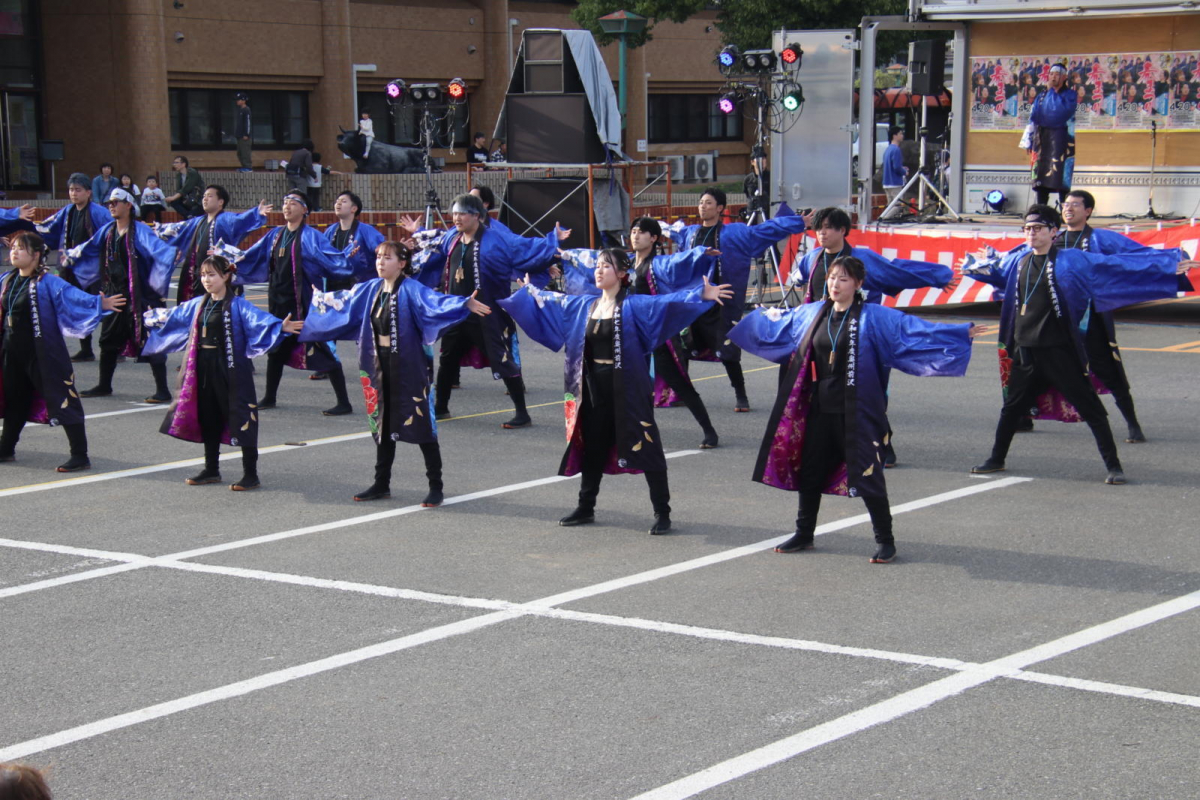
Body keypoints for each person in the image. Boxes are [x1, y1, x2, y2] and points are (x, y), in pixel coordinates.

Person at [730, 256, 976, 562]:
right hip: (819, 408)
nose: (835, 284)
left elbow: (911, 330)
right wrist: (743, 324)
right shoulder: (813, 314)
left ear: (859, 284)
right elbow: (779, 324)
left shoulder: (874, 317)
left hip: (857, 411)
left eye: (843, 279)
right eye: (832, 278)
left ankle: (885, 540)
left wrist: (955, 334)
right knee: (811, 473)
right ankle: (804, 533)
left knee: (868, 474)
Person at [500, 249, 732, 534]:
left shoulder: (636, 306)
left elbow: (668, 303)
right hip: (592, 386)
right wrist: (531, 292)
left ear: (622, 274)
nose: (598, 271)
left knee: (646, 444)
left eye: (606, 266)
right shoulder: (585, 305)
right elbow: (553, 301)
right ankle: (586, 506)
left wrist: (699, 295)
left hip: (628, 385)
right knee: (593, 446)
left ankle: (662, 512)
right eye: (597, 266)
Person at [967, 205, 1194, 484]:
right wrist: (979, 264)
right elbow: (996, 269)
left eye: (1038, 228)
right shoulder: (1020, 260)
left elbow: (1117, 265)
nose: (1031, 233)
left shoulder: (1072, 260)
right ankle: (996, 459)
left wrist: (1167, 263)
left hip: (1058, 351)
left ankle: (1114, 466)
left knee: (1092, 410)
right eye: (1027, 228)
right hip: (1025, 351)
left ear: (1054, 232)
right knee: (1012, 408)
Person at [301, 241, 490, 504]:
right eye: (378, 257)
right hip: (376, 363)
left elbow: (435, 302)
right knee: (382, 422)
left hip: (409, 365)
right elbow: (345, 300)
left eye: (387, 258)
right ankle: (381, 483)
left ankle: (436, 485)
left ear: (402, 263)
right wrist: (320, 299)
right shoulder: (370, 289)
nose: (380, 262)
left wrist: (462, 304)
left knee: (421, 422)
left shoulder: (412, 289)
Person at [559, 216, 722, 448]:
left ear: (654, 238)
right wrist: (567, 255)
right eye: (633, 230)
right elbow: (595, 260)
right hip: (630, 335)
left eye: (641, 232)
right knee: (631, 385)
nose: (635, 235)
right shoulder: (625, 264)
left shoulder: (658, 264)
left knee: (679, 383)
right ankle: (633, 434)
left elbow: (678, 260)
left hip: (656, 334)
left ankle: (709, 430)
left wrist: (698, 253)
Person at [143, 255, 299, 491]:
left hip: (230, 367)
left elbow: (259, 320)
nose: (206, 279)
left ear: (226, 276)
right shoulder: (198, 304)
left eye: (212, 274)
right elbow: (174, 316)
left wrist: (280, 326)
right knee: (208, 416)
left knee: (242, 415)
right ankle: (212, 469)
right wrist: (151, 316)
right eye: (204, 275)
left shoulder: (238, 305)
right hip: (202, 366)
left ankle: (250, 474)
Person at [411, 193, 559, 429]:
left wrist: (551, 243)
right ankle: (441, 407)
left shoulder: (497, 240)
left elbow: (525, 248)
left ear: (477, 216)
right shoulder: (452, 238)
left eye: (462, 213)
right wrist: (413, 240)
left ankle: (522, 413)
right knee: (448, 359)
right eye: (454, 213)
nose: (456, 218)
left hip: (486, 311)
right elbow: (432, 243)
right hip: (457, 309)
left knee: (501, 359)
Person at [666, 187, 808, 412]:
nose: (703, 206)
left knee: (727, 347)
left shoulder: (734, 233)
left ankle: (741, 394)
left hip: (723, 301)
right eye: (701, 202)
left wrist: (795, 221)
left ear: (720, 208)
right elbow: (669, 232)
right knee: (684, 345)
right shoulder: (689, 233)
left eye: (709, 203)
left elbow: (764, 231)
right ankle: (682, 392)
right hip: (695, 299)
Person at [219, 190, 355, 415]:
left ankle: (344, 402)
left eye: (293, 203)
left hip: (304, 303)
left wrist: (346, 257)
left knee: (323, 349)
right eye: (285, 202)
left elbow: (332, 258)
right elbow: (250, 256)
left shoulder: (311, 236)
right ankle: (270, 397)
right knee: (276, 348)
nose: (287, 206)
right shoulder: (274, 235)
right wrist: (228, 258)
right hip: (278, 301)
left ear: (305, 210)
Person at [1, 230, 125, 472]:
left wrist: (100, 304)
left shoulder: (49, 282)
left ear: (37, 255)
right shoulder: (8, 280)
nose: (14, 251)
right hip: (11, 351)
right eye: (13, 247)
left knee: (63, 399)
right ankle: (6, 448)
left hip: (42, 352)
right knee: (15, 400)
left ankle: (80, 455)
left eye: (21, 248)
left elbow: (75, 298)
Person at [63, 187, 178, 403]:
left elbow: (160, 252)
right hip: (115, 294)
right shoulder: (108, 231)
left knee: (150, 339)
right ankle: (104, 384)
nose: (112, 206)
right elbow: (88, 247)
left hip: (140, 296)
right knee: (108, 340)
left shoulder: (140, 231)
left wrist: (170, 256)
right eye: (110, 203)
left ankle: (163, 390)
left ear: (129, 205)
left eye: (116, 202)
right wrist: (71, 255)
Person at [34, 172, 111, 362]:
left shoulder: (98, 212)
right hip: (71, 267)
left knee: (106, 306)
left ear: (88, 192)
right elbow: (49, 229)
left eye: (78, 190)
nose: (73, 194)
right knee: (76, 306)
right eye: (71, 190)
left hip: (96, 268)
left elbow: (111, 233)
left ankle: (111, 348)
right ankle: (86, 349)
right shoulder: (67, 211)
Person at [155, 185, 270, 305]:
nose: (205, 199)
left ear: (220, 202)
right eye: (204, 196)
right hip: (199, 275)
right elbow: (178, 228)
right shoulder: (198, 221)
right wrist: (156, 231)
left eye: (210, 196)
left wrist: (256, 213)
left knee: (219, 312)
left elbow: (240, 219)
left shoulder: (224, 219)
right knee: (197, 312)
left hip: (219, 276)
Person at [1028, 63, 1078, 206]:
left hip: (1061, 138)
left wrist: (1052, 94)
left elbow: (1061, 113)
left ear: (1064, 77)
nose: (1053, 77)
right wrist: (1030, 140)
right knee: (1040, 176)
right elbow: (1033, 117)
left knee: (1061, 176)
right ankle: (1041, 208)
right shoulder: (1042, 95)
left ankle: (1064, 208)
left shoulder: (1070, 95)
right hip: (1042, 139)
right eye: (1051, 74)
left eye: (1057, 74)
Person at [323, 190, 384, 288]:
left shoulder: (365, 229)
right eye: (337, 201)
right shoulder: (331, 230)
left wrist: (394, 248)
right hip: (333, 285)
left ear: (354, 209)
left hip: (359, 285)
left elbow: (380, 248)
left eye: (343, 201)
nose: (338, 203)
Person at [880, 125, 908, 220]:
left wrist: (901, 167)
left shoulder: (888, 150)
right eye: (900, 133)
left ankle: (885, 219)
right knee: (898, 205)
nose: (902, 135)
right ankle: (883, 218)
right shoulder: (896, 150)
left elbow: (890, 165)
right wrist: (904, 171)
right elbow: (896, 167)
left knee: (890, 205)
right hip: (895, 182)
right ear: (894, 136)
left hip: (886, 182)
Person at [235, 92, 253, 172]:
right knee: (240, 152)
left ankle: (248, 167)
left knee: (245, 152)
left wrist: (246, 134)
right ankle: (244, 166)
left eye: (238, 100)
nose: (237, 101)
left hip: (244, 136)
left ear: (243, 100)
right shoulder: (240, 110)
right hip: (239, 136)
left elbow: (248, 122)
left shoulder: (246, 110)